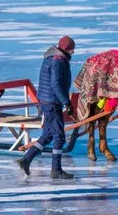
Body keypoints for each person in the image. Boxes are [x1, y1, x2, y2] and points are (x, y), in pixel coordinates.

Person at [18, 36, 76, 180]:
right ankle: (56, 170)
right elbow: (55, 84)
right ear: (65, 48)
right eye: (72, 49)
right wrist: (67, 102)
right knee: (59, 137)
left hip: (48, 100)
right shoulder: (58, 61)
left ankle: (26, 159)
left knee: (48, 134)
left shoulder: (54, 57)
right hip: (51, 101)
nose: (73, 52)